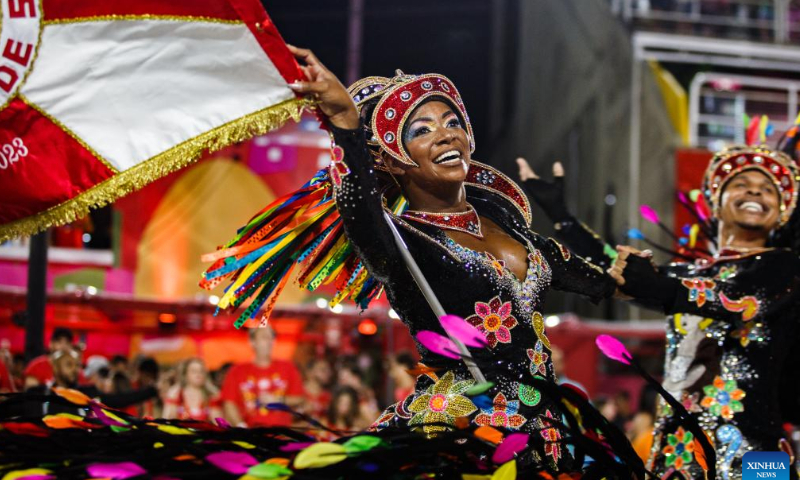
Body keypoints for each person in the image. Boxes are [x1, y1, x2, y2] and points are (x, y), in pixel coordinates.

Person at [277, 47, 620, 472]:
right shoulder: (402, 243)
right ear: (390, 158)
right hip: (463, 435)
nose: (446, 134)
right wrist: (347, 125)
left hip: (545, 431)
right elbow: (362, 215)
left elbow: (604, 279)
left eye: (453, 121)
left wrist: (576, 229)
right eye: (422, 130)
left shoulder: (512, 230)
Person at [519, 145, 800, 478]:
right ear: (716, 202)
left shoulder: (785, 267)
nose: (755, 190)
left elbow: (733, 299)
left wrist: (658, 286)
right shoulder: (688, 276)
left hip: (756, 454)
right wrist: (563, 217)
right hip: (678, 450)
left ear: (782, 211)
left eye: (768, 189)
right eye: (740, 184)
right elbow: (618, 269)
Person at [220, 326, 304, 428]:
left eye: (272, 338)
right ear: (252, 342)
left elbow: (299, 398)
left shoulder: (288, 367)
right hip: (250, 435)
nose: (269, 341)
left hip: (282, 435)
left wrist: (277, 399)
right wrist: (241, 427)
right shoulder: (237, 370)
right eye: (264, 337)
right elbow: (229, 403)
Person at [163, 358, 222, 422]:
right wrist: (173, 398)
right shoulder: (176, 394)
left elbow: (218, 423)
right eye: (194, 371)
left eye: (201, 371)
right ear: (185, 374)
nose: (198, 374)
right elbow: (168, 420)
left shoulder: (211, 395)